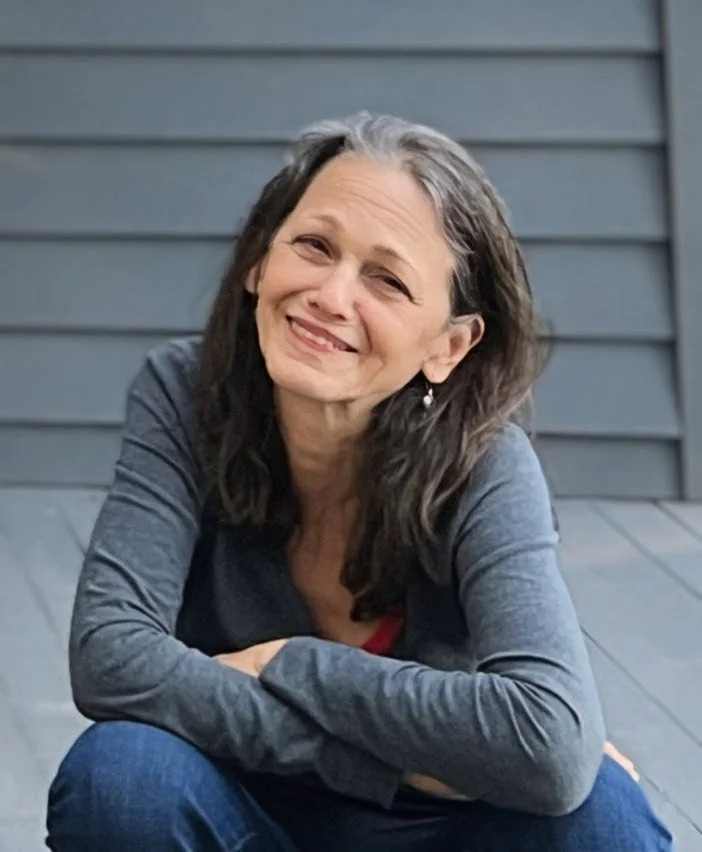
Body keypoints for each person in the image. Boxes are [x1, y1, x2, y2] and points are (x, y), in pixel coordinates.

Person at [46, 113, 672, 851]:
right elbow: (113, 658)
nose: (332, 296)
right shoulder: (186, 396)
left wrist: (291, 664)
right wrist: (390, 765)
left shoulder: (485, 462)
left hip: (445, 830)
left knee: (602, 815)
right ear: (258, 264)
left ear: (449, 345)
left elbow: (552, 747)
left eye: (387, 280)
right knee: (123, 775)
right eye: (313, 246)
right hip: (244, 800)